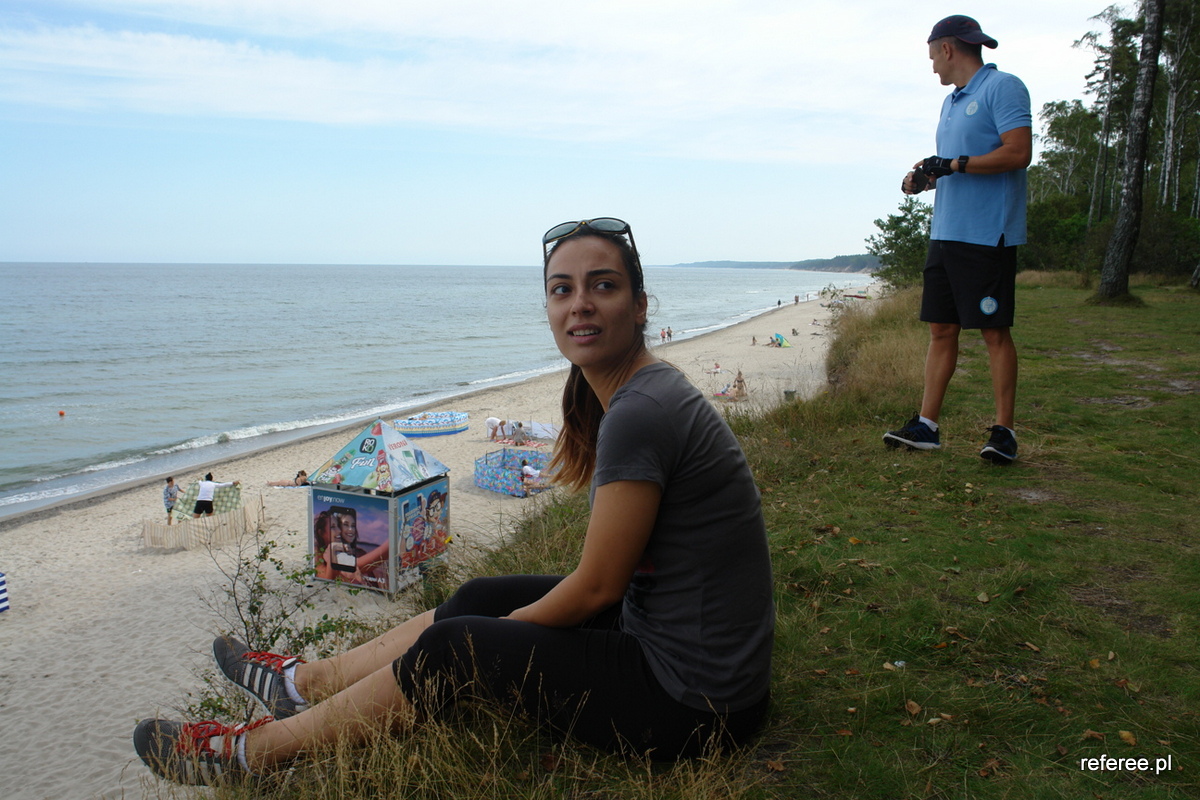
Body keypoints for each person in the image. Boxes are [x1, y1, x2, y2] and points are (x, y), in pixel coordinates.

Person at [133, 217, 774, 785]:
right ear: (548, 309)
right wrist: (500, 623)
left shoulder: (640, 413)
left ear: (639, 305)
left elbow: (598, 588)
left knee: (456, 645)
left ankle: (249, 755)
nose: (580, 303)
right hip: (679, 650)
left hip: (694, 703)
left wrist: (497, 639)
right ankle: (304, 685)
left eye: (602, 285)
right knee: (477, 598)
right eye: (562, 289)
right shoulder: (640, 394)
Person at [884, 14, 1031, 464]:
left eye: (933, 57)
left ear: (947, 49)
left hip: (987, 234)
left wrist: (954, 164)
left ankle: (1004, 433)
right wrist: (926, 178)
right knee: (941, 329)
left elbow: (1018, 153)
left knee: (993, 331)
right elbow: (955, 166)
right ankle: (926, 427)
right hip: (945, 232)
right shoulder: (950, 103)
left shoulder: (1002, 87)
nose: (932, 66)